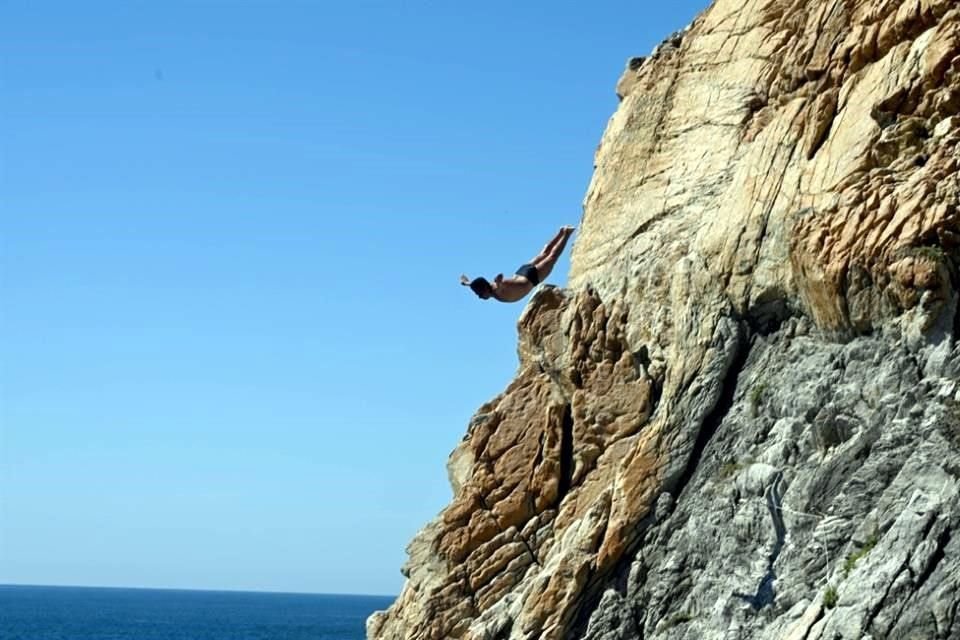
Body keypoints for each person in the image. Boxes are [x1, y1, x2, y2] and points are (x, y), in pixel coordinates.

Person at [461, 225, 575, 303]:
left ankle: (566, 233)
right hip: (521, 272)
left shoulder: (496, 289)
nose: (480, 297)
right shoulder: (488, 287)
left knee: (552, 257)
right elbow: (477, 283)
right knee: (544, 252)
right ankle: (560, 232)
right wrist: (466, 282)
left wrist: (499, 281)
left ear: (486, 288)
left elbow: (499, 286)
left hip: (530, 278)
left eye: (480, 294)